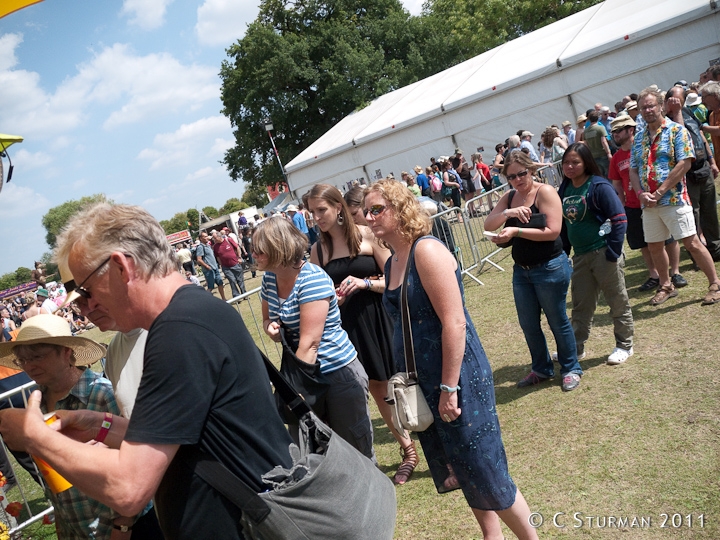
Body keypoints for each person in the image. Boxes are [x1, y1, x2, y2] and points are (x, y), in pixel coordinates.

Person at [0, 203, 296, 539]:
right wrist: (99, 424)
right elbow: (178, 437)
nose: (88, 305)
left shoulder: (177, 333)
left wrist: (32, 435)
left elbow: (129, 487)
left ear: (121, 267)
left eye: (86, 290)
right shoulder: (193, 311)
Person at [364, 179, 538, 540]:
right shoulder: (394, 260)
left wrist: (448, 387)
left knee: (486, 467)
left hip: (456, 377)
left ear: (399, 208)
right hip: (425, 379)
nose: (368, 217)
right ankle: (493, 535)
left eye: (376, 209)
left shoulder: (425, 250)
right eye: (365, 212)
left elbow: (454, 323)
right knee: (462, 465)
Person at [0, 314, 155, 538]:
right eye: (22, 360)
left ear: (66, 352)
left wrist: (123, 526)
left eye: (37, 357)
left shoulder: (102, 395)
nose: (29, 366)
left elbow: (139, 469)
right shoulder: (37, 404)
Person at [307, 184, 418, 484]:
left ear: (338, 207)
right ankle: (408, 451)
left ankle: (435, 446)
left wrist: (364, 284)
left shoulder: (366, 235)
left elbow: (394, 280)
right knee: (379, 391)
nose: (317, 217)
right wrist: (332, 295)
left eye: (322, 210)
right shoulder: (318, 251)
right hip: (348, 328)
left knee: (405, 382)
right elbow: (316, 293)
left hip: (380, 317)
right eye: (312, 212)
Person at [255, 217, 375, 461]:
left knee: (355, 453)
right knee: (310, 454)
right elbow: (267, 319)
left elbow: (310, 343)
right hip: (302, 374)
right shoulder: (269, 279)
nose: (252, 254)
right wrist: (271, 329)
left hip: (336, 374)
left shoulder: (311, 279)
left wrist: (294, 393)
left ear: (277, 247)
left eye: (258, 249)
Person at [484, 151, 583, 391]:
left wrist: (516, 231)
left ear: (531, 170)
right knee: (528, 323)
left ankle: (571, 368)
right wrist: (508, 214)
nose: (518, 179)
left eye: (522, 173)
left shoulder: (544, 192)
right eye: (512, 176)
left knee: (557, 320)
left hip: (550, 266)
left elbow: (552, 231)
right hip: (522, 271)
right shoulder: (509, 197)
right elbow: (488, 224)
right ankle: (542, 369)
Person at [629, 87, 720, 305]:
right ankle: (666, 285)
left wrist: (660, 191)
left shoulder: (676, 131)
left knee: (692, 242)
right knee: (654, 246)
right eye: (643, 108)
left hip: (674, 199)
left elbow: (685, 162)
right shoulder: (639, 137)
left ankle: (715, 284)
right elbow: (633, 169)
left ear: (661, 105)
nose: (648, 110)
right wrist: (641, 193)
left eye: (651, 105)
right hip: (649, 204)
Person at [558, 143, 634, 365]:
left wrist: (612, 252)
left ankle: (624, 345)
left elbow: (619, 220)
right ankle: (576, 348)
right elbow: (564, 225)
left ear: (586, 163)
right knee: (580, 306)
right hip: (580, 257)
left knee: (617, 301)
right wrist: (564, 253)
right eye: (566, 163)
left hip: (604, 253)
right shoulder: (564, 189)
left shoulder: (599, 186)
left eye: (575, 162)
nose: (570, 167)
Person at [608, 114, 685, 292]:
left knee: (669, 239)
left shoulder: (646, 147)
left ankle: (675, 272)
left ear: (630, 130)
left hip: (657, 200)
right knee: (643, 243)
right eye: (613, 132)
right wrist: (621, 205)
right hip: (633, 206)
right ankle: (654, 275)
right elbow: (617, 184)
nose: (615, 135)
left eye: (618, 131)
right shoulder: (616, 158)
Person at [211, 229, 246, 298]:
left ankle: (244, 294)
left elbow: (237, 248)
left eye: (214, 238)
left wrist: (239, 257)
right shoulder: (215, 247)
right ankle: (236, 296)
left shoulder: (228, 240)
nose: (213, 240)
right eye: (213, 238)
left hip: (235, 263)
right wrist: (221, 265)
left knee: (240, 280)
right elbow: (217, 257)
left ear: (219, 236)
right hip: (226, 267)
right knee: (232, 280)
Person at [195, 231, 227, 301]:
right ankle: (205, 300)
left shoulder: (208, 245)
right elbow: (199, 259)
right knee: (211, 286)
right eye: (205, 236)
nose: (207, 237)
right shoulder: (200, 247)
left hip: (215, 267)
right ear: (201, 238)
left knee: (220, 283)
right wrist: (206, 266)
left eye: (207, 236)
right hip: (209, 270)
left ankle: (224, 299)